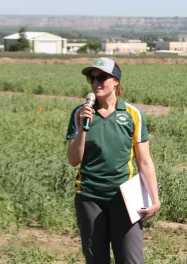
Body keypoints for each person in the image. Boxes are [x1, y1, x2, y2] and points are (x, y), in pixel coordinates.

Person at [66, 57, 161, 264]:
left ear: (116, 81)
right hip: (89, 198)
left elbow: (144, 161)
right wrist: (82, 127)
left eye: (102, 77)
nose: (96, 82)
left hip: (125, 200)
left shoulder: (132, 114)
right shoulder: (79, 113)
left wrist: (155, 200)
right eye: (92, 78)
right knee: (96, 260)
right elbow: (74, 160)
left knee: (131, 260)